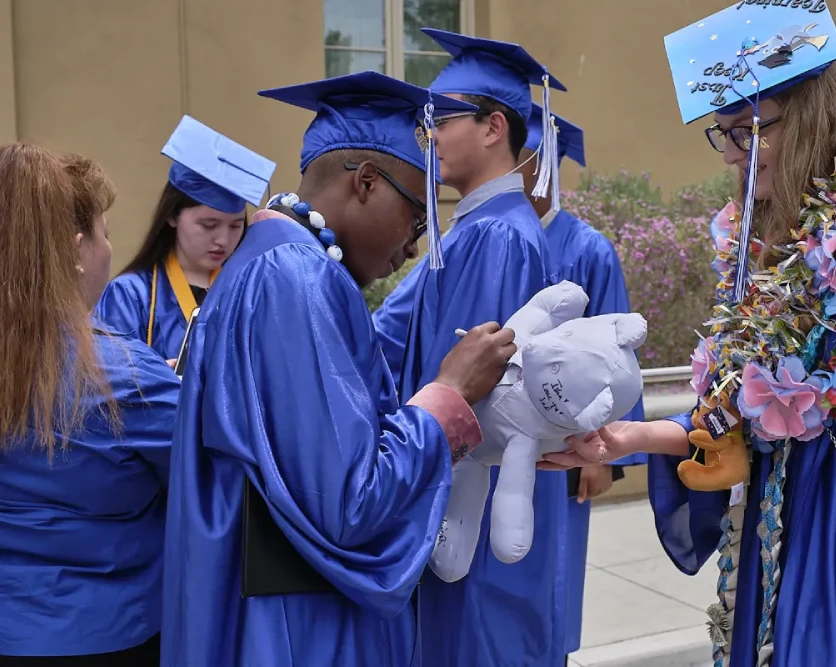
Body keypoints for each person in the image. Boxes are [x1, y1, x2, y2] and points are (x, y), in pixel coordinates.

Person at [543, 4, 836, 665]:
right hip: (773, 538)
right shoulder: (769, 245)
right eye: (723, 134)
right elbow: (744, 415)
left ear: (814, 114)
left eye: (749, 131)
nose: (733, 153)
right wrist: (628, 437)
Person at [159, 71, 516, 667]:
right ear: (368, 183)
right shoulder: (297, 277)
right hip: (297, 627)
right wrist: (447, 397)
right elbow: (349, 500)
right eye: (416, 218)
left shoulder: (271, 256)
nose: (414, 244)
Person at [372, 29, 576, 667]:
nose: (426, 136)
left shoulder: (499, 237)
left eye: (440, 118)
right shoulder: (475, 229)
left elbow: (480, 393)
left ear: (493, 127)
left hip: (475, 515)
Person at [0, 144, 179, 664]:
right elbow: (207, 474)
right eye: (105, 232)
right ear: (78, 249)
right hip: (106, 635)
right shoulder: (125, 376)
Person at [514, 102, 648, 661]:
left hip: (567, 441)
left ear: (545, 165)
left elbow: (618, 357)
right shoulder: (493, 235)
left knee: (555, 576)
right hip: (503, 430)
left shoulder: (586, 246)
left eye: (520, 160)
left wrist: (600, 456)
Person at [96, 115, 276, 362]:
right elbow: (111, 379)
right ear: (172, 216)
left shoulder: (247, 292)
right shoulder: (131, 296)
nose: (223, 239)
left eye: (236, 225)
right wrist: (162, 377)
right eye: (208, 225)